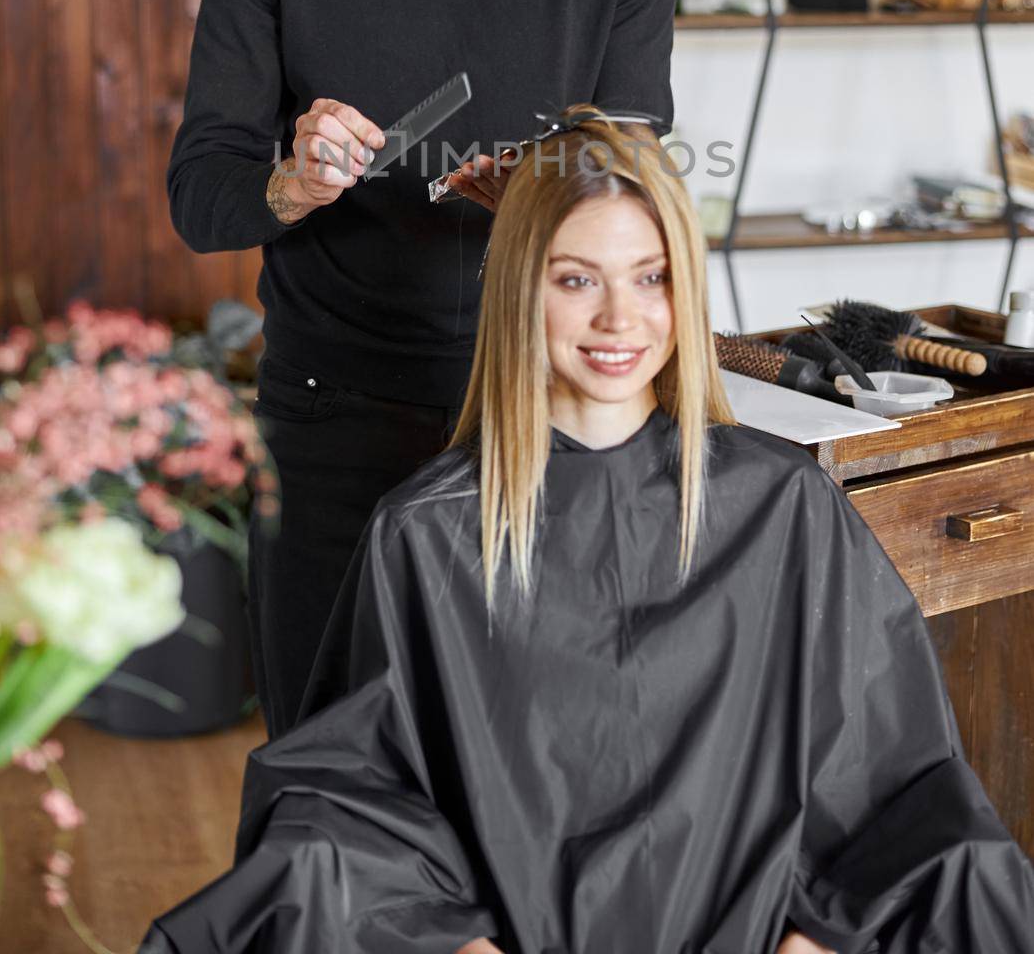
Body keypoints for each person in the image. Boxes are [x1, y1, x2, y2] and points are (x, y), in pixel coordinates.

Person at [141, 108, 1034, 954]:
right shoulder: (429, 534)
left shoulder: (783, 506)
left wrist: (814, 940)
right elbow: (346, 812)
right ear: (520, 291)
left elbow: (898, 788)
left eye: (652, 277)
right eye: (576, 279)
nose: (620, 318)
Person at [165, 0, 678, 739]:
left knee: (535, 772)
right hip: (330, 413)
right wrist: (288, 185)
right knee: (327, 776)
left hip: (544, 414)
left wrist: (552, 195)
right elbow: (203, 199)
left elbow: (631, 190)